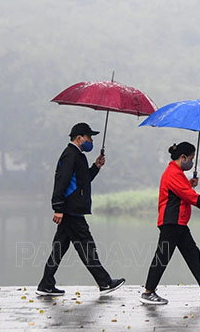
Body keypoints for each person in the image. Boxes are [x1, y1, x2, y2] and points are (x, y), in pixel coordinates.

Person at [36, 122, 125, 296]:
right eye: (89, 137)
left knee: (59, 248)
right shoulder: (71, 155)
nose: (91, 141)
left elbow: (83, 181)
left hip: (72, 209)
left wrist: (96, 166)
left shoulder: (78, 155)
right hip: (71, 210)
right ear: (79, 138)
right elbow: (61, 181)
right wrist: (58, 207)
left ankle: (46, 284)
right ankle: (105, 282)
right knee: (87, 245)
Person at [140, 141, 200, 305]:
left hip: (178, 223)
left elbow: (182, 190)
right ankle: (148, 292)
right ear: (183, 157)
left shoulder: (176, 173)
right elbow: (190, 197)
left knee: (193, 253)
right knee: (162, 256)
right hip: (171, 222)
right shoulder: (172, 173)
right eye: (191, 158)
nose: (192, 162)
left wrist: (189, 184)